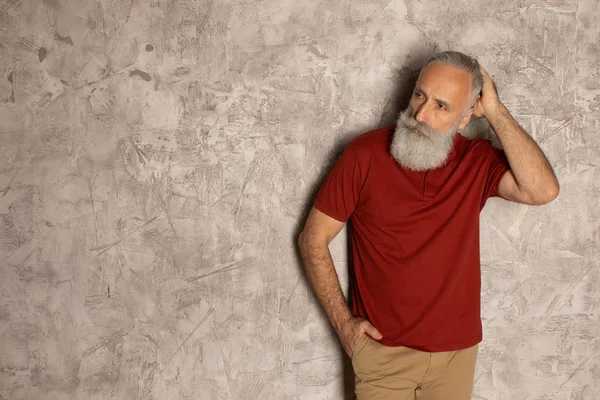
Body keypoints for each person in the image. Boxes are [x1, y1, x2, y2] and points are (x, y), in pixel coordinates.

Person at [297, 51, 559, 400]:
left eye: (442, 106)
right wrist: (344, 325)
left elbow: (542, 189)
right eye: (419, 95)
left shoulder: (476, 161)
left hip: (456, 356)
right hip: (382, 355)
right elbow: (312, 239)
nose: (420, 115)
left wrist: (494, 109)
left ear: (465, 117)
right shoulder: (363, 155)